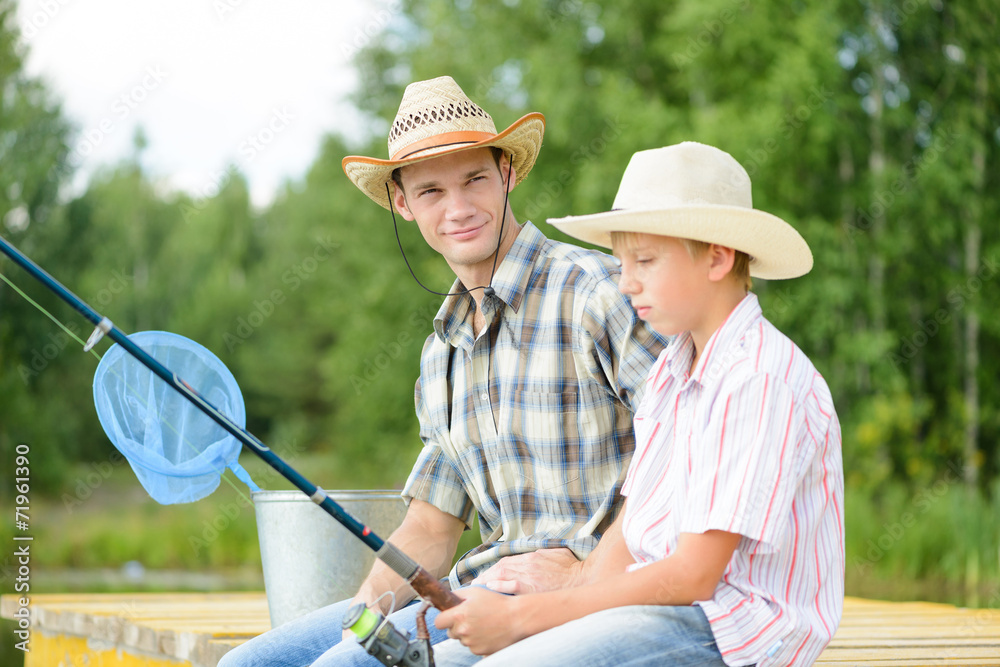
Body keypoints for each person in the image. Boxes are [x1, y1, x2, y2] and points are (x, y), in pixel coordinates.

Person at [219, 77, 666, 667]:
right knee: (250, 665)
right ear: (403, 203)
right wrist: (361, 621)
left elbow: (686, 453)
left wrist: (584, 578)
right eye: (430, 191)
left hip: (590, 607)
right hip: (474, 595)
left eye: (474, 179)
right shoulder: (442, 352)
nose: (458, 209)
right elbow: (431, 528)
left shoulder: (596, 291)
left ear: (506, 172)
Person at [432, 142, 845, 666]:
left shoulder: (756, 377)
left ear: (718, 256)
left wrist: (520, 621)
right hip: (657, 607)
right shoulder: (675, 370)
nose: (625, 282)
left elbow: (694, 575)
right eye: (623, 262)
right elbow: (632, 533)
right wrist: (540, 612)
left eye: (645, 261)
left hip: (730, 629)